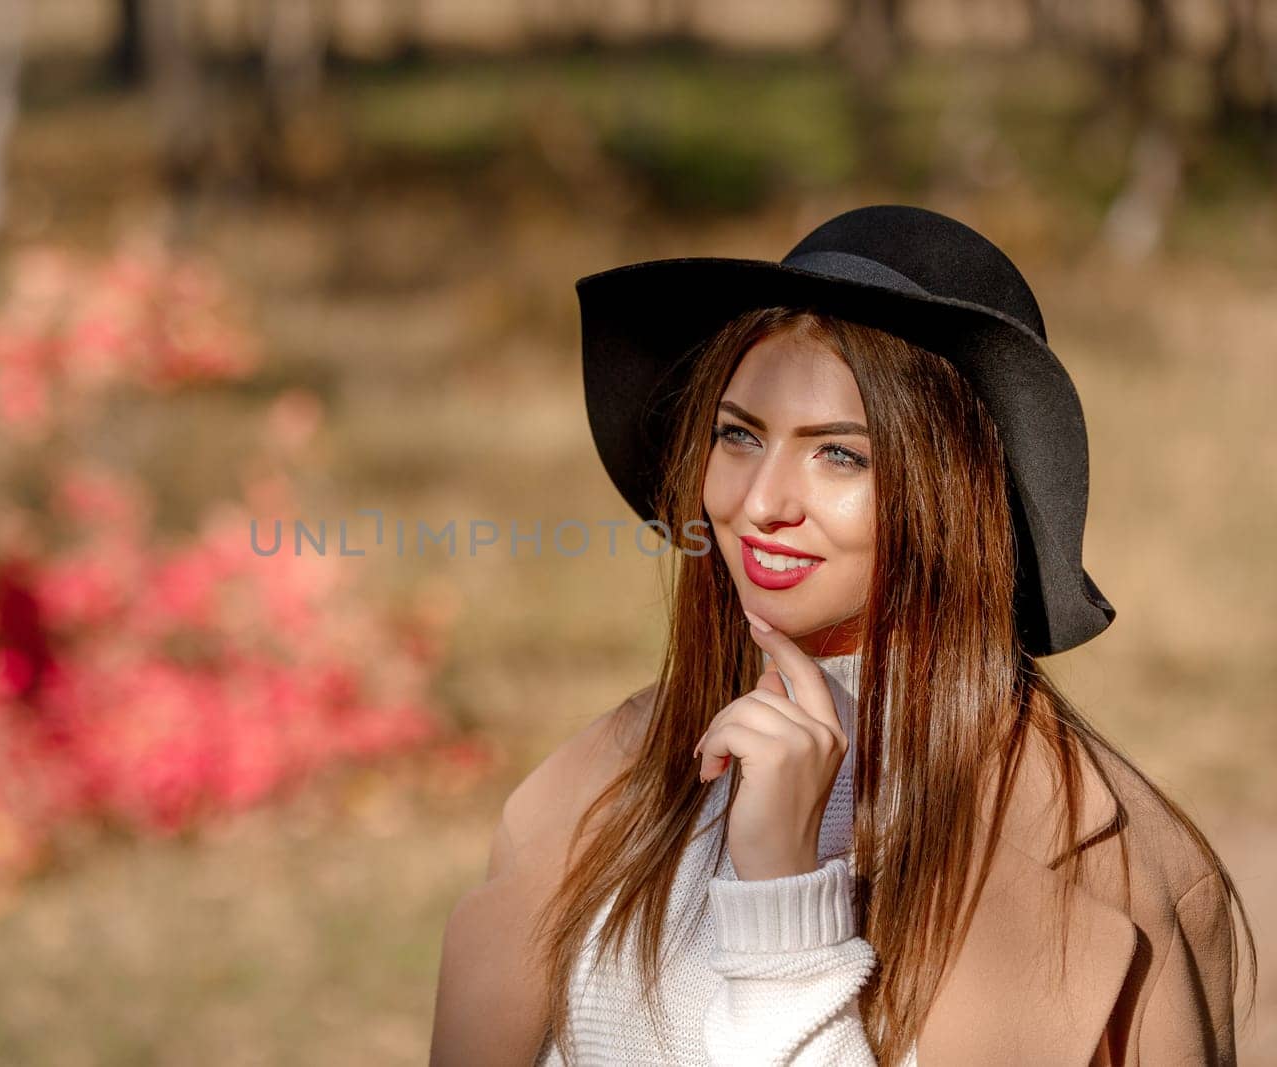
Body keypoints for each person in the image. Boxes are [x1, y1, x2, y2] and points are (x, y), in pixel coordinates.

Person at [430, 205, 1257, 1065]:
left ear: (954, 494)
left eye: (840, 455)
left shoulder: (1121, 879)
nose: (762, 503)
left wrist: (784, 907)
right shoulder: (601, 781)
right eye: (739, 435)